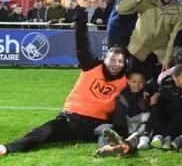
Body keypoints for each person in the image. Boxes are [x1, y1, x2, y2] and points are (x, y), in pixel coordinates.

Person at [0, 14, 127, 156]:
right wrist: (81, 23)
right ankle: (6, 148)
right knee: (42, 133)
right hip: (71, 119)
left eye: (120, 61)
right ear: (105, 59)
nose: (116, 64)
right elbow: (83, 45)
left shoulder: (125, 79)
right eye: (113, 60)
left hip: (96, 124)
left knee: (108, 132)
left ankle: (108, 149)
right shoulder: (91, 66)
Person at [116, 0, 182, 76]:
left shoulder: (179, 10)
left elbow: (174, 36)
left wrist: (167, 58)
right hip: (137, 51)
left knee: (156, 87)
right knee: (135, 84)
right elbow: (120, 9)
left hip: (160, 57)